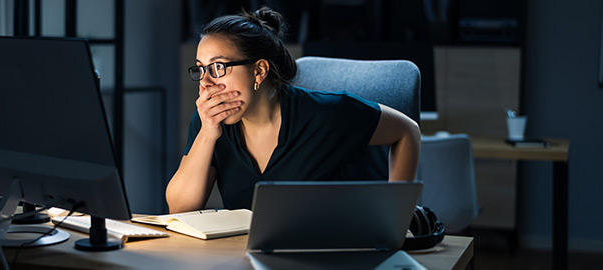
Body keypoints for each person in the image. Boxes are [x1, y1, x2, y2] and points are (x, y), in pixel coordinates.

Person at [166, 7, 420, 213]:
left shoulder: (327, 113)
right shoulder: (210, 122)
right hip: (243, 256)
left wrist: (397, 214)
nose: (206, 82)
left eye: (218, 67)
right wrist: (208, 134)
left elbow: (406, 131)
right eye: (200, 69)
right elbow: (179, 207)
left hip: (324, 251)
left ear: (259, 71)